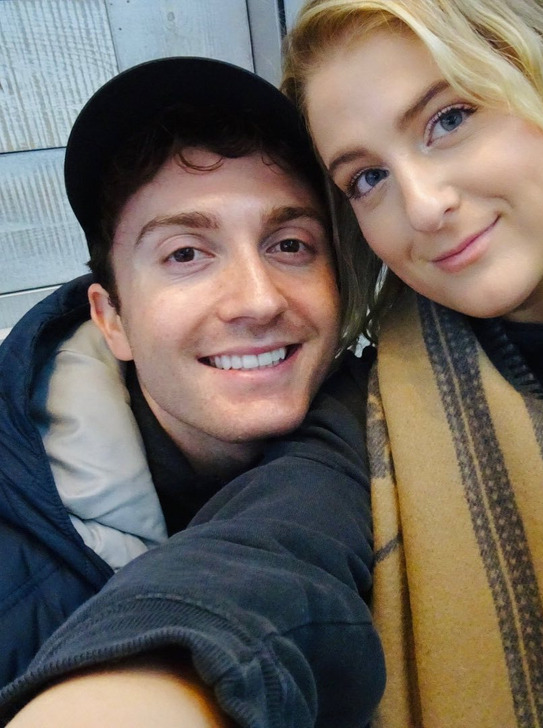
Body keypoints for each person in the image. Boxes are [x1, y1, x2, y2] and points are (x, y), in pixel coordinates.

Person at [5, 0, 543, 726]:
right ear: (110, 317)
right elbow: (262, 560)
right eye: (367, 177)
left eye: (449, 119)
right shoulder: (369, 415)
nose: (424, 207)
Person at [0, 54, 382, 715]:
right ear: (112, 319)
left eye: (290, 245)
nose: (257, 300)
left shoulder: (386, 424)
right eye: (185, 254)